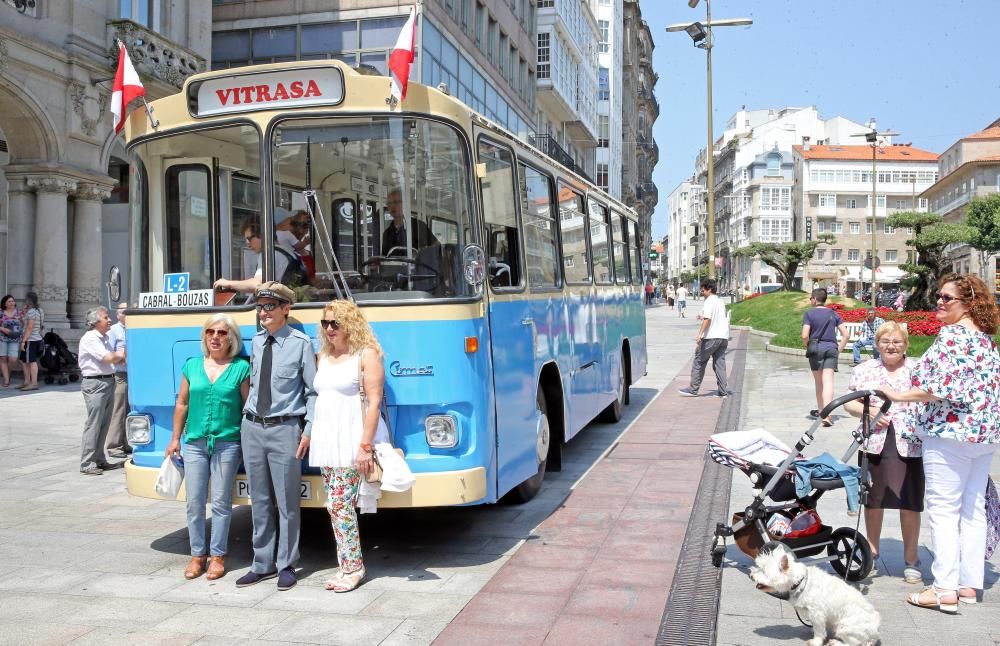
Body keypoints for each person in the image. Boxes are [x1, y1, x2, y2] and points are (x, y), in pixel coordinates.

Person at [880, 274, 1000, 613]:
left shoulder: (952, 337)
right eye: (940, 296)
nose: (940, 302)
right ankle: (968, 584)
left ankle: (943, 588)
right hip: (983, 435)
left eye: (948, 298)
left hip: (948, 434)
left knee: (944, 510)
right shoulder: (986, 341)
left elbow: (938, 388)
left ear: (968, 304)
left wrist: (898, 395)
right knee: (972, 508)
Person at [235, 281, 317, 592]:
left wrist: (307, 429)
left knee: (287, 503)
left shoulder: (300, 344)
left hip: (285, 429)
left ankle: (286, 564)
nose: (262, 312)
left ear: (286, 309)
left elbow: (312, 392)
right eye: (259, 307)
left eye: (270, 306)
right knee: (259, 501)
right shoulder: (256, 342)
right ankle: (261, 564)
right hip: (253, 427)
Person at [310, 299, 388, 592]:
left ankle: (353, 568)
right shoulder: (324, 356)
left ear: (349, 325)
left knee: (340, 506)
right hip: (327, 439)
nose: (329, 329)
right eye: (325, 323)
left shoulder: (366, 355)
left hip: (352, 439)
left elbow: (375, 401)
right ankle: (346, 564)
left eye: (335, 323)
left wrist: (365, 446)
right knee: (335, 506)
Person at [166, 314, 250, 581]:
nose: (215, 337)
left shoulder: (241, 368)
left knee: (222, 503)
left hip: (228, 442)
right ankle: (197, 555)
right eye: (210, 332)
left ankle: (217, 556)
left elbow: (247, 407)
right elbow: (182, 404)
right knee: (194, 502)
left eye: (222, 333)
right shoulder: (192, 365)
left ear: (231, 338)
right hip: (195, 443)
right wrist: (175, 438)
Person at [845, 321, 923, 583]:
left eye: (897, 342)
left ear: (906, 345)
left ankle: (911, 559)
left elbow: (928, 399)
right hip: (874, 441)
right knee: (873, 500)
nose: (891, 346)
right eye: (885, 341)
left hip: (910, 442)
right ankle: (872, 551)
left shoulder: (918, 369)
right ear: (876, 344)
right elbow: (850, 404)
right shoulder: (864, 369)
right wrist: (869, 414)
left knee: (910, 501)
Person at [78, 306, 126, 475]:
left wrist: (118, 356)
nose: (110, 320)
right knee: (94, 424)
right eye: (106, 318)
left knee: (104, 424)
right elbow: (109, 357)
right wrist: (123, 352)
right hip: (95, 383)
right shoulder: (91, 338)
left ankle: (99, 459)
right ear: (95, 322)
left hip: (107, 381)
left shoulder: (104, 337)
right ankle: (87, 462)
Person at [802, 288, 849, 426]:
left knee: (819, 383)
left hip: (816, 349)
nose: (810, 300)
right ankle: (827, 415)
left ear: (815, 299)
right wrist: (838, 350)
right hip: (831, 349)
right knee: (828, 381)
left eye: (811, 298)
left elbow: (804, 335)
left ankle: (822, 411)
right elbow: (846, 334)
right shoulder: (833, 313)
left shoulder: (809, 314)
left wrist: (808, 345)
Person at [678, 278, 730, 398]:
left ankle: (693, 389)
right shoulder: (720, 301)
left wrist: (700, 334)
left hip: (711, 337)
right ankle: (723, 392)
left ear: (709, 289)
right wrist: (702, 316)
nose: (702, 291)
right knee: (719, 364)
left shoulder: (709, 301)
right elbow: (715, 317)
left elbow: (708, 319)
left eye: (703, 289)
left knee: (699, 361)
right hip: (723, 337)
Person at [213, 221, 293, 297]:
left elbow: (257, 284)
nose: (248, 245)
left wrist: (229, 283)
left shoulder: (269, 254)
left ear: (262, 235)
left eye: (249, 239)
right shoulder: (285, 251)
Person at [105, 302, 131, 458]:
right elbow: (109, 354)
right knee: (118, 410)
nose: (127, 314)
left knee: (130, 410)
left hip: (133, 375)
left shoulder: (133, 329)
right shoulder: (114, 331)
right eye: (124, 311)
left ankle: (127, 442)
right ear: (117, 314)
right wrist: (123, 357)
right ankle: (114, 446)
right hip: (120, 375)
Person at [381, 188, 437, 254]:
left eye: (396, 202)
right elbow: (384, 257)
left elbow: (436, 248)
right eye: (389, 203)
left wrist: (421, 255)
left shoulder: (418, 226)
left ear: (404, 204)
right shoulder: (387, 233)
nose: (392, 206)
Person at [17, 291, 43, 391]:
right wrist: (23, 314)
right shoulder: (39, 310)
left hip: (31, 339)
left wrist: (24, 341)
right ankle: (27, 381)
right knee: (23, 360)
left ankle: (34, 383)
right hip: (35, 338)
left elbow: (29, 327)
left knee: (31, 361)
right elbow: (28, 323)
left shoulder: (32, 311)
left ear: (28, 300)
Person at [0, 295, 22, 388]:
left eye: (12, 301)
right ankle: (6, 379)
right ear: (5, 303)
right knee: (3, 358)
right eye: (9, 301)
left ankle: (7, 374)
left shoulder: (19, 313)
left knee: (13, 359)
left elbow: (25, 323)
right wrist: (2, 329)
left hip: (14, 339)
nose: (12, 303)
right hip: (2, 338)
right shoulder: (1, 313)